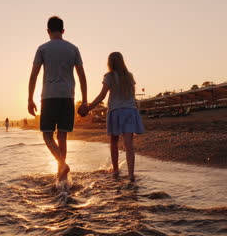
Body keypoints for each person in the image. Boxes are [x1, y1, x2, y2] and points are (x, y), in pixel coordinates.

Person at [28, 16, 88, 182]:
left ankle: (62, 164)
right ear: (63, 30)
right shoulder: (73, 48)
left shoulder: (43, 49)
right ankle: (62, 178)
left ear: (48, 31)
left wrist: (29, 99)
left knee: (47, 135)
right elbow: (82, 76)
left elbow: (34, 75)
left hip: (49, 96)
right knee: (62, 136)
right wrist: (84, 100)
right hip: (68, 96)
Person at [79, 52, 144, 181]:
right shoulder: (129, 76)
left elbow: (102, 95)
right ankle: (131, 175)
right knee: (129, 144)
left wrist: (88, 108)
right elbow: (132, 95)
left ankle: (115, 170)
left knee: (114, 142)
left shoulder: (109, 76)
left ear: (110, 63)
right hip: (130, 111)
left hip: (116, 111)